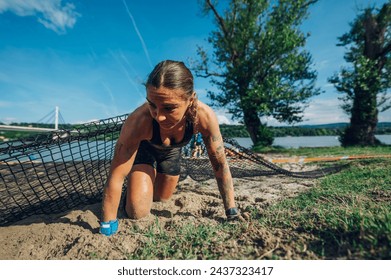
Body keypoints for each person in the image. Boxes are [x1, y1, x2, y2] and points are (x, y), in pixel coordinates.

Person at [100, 60, 240, 236]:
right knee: (137, 210)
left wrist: (231, 211)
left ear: (191, 100)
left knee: (162, 198)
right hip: (146, 151)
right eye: (152, 105)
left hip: (172, 153)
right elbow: (116, 175)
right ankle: (134, 188)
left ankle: (154, 180)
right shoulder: (138, 121)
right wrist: (107, 225)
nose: (159, 117)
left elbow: (219, 164)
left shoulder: (203, 117)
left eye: (169, 108)